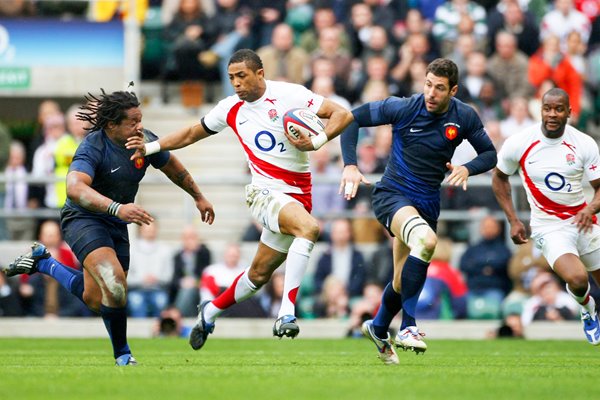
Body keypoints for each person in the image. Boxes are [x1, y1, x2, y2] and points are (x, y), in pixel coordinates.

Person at [126, 49, 352, 351]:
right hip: (264, 192)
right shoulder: (230, 108)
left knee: (258, 275)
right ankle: (286, 314)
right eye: (231, 77)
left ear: (260, 73)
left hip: (299, 194)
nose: (235, 83)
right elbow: (193, 132)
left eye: (241, 76)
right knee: (309, 229)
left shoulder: (291, 95)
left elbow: (344, 114)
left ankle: (210, 311)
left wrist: (316, 140)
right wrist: (151, 147)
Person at [286, 58, 497, 364]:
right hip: (392, 195)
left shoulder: (464, 116)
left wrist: (467, 167)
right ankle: (408, 326)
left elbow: (490, 154)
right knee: (425, 242)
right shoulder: (402, 107)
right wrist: (350, 164)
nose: (431, 93)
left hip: (427, 203)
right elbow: (350, 118)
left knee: (401, 280)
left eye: (439, 88)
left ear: (453, 90)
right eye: (427, 84)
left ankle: (379, 325)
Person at [1, 88, 215, 365]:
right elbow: (75, 188)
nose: (140, 126)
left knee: (96, 298)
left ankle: (45, 263)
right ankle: (123, 355)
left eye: (141, 119)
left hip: (117, 222)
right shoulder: (93, 146)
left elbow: (172, 165)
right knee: (115, 284)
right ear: (112, 125)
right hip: (84, 219)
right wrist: (117, 207)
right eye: (133, 121)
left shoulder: (143, 141)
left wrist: (198, 196)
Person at [492, 87, 600, 345]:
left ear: (569, 112)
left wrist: (590, 209)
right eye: (547, 108)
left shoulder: (584, 143)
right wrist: (513, 219)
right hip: (548, 226)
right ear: (540, 110)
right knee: (576, 278)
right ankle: (588, 309)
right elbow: (499, 179)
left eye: (558, 109)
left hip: (584, 220)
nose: (552, 114)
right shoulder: (519, 142)